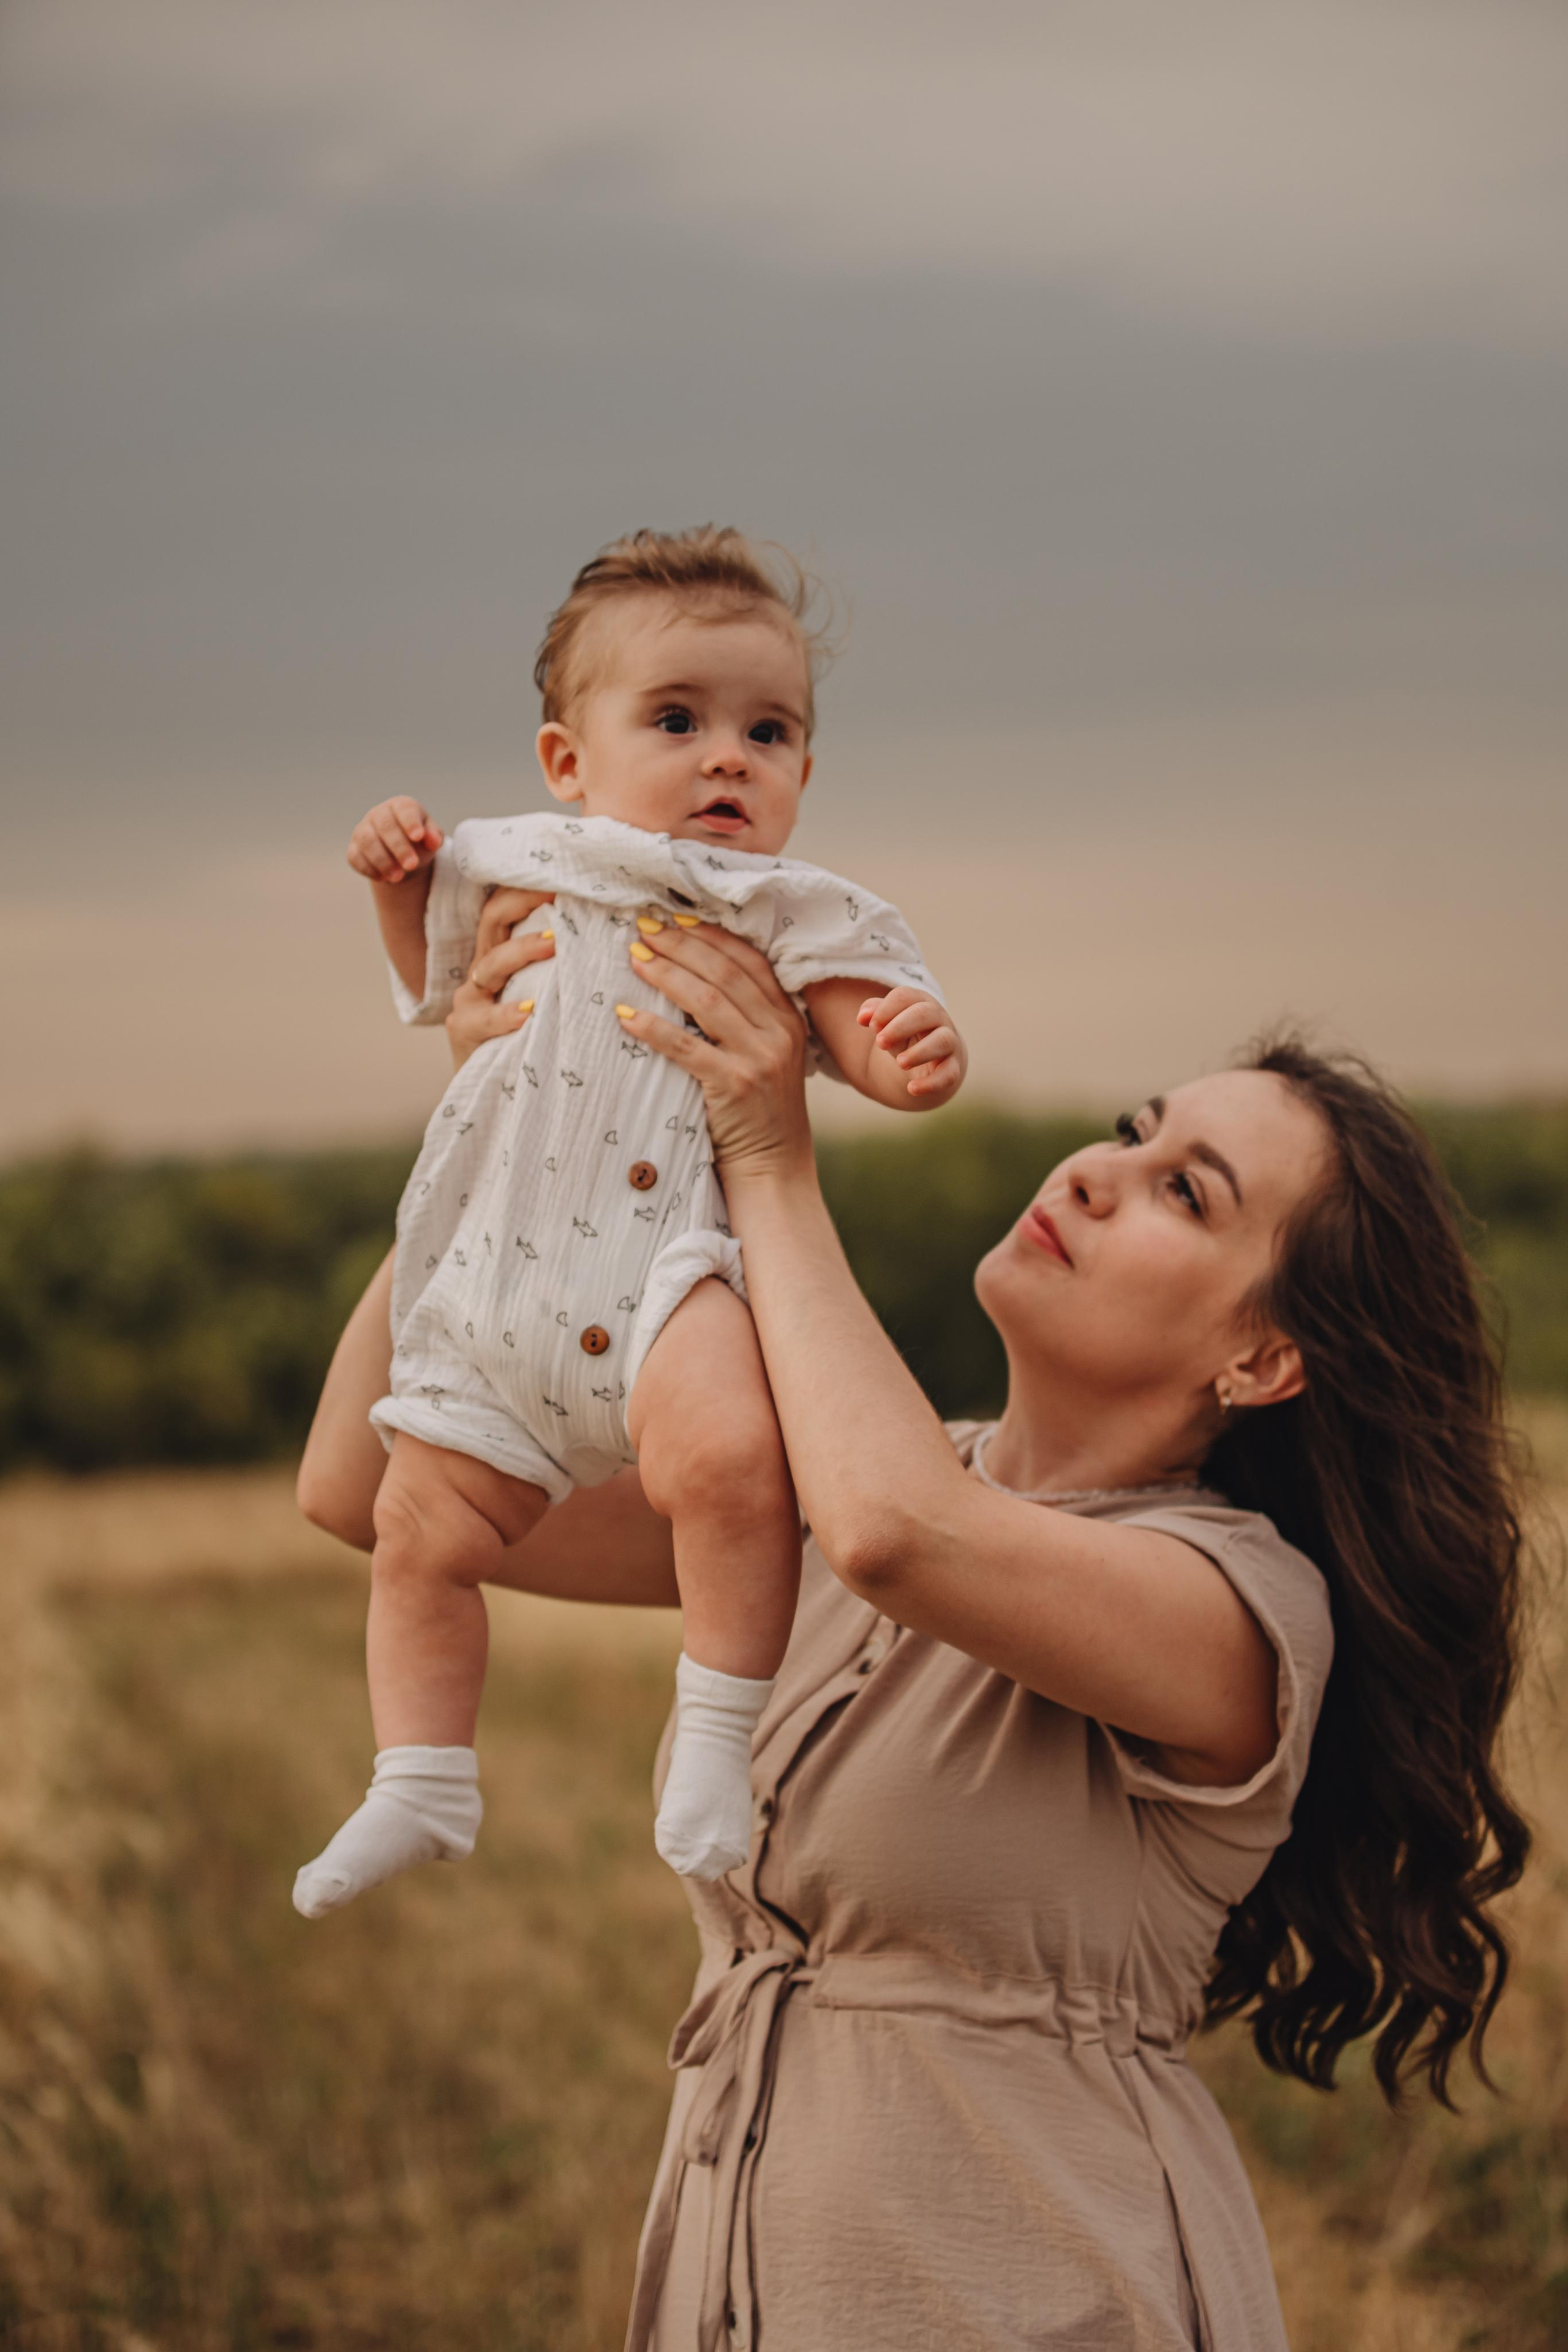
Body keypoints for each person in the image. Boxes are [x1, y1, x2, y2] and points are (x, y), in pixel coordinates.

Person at [300, 925, 1531, 2351]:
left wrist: (767, 1149)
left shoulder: (1234, 1608)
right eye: (1130, 1135)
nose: (1091, 1172)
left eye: (1180, 1194)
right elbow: (360, 1479)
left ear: (1259, 1362)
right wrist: (514, 1117)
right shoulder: (830, 1497)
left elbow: (900, 1534)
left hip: (1042, 2300)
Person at [292, 527, 968, 1920]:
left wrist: (911, 1051)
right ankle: (420, 1774)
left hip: (669, 1270)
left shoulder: (784, 908)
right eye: (677, 720)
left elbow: (865, 1035)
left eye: (767, 732)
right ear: (566, 763)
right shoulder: (521, 861)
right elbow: (437, 980)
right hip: (498, 1278)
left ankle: (715, 1744)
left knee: (727, 1464)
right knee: (419, 1524)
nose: (729, 757)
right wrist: (391, 882)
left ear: (801, 774)